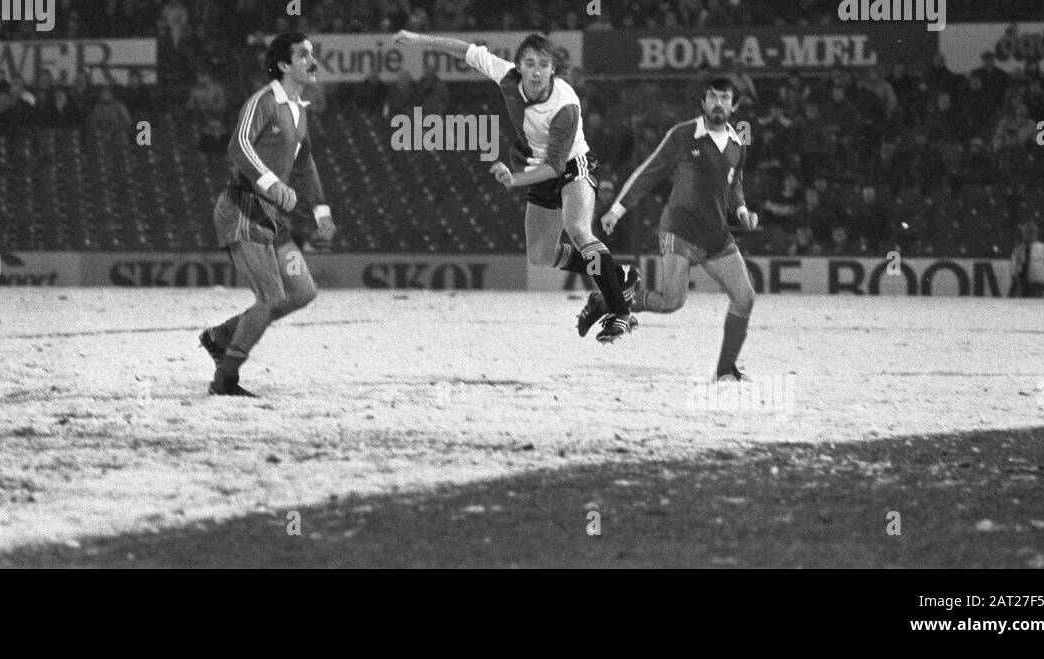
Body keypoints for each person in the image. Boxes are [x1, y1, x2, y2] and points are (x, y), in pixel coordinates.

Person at [393, 28, 636, 342]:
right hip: (540, 166)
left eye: (543, 64)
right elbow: (465, 50)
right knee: (540, 255)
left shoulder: (565, 104)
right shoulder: (506, 76)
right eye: (529, 63)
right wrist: (418, 40)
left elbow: (557, 166)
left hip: (573, 165)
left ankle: (620, 312)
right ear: (518, 66)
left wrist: (514, 178)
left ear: (552, 69)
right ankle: (619, 277)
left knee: (578, 230)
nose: (536, 71)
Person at [198, 32, 337, 397]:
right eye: (303, 55)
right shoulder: (263, 101)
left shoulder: (299, 111)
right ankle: (224, 380)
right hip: (242, 209)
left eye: (312, 54)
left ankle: (222, 335)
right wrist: (273, 183)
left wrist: (321, 210)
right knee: (272, 298)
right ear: (282, 65)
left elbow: (304, 162)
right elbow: (238, 145)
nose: (312, 61)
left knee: (303, 291)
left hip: (269, 218)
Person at [598, 76, 761, 381]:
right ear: (703, 102)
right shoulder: (684, 134)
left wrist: (741, 210)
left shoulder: (738, 144)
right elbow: (650, 170)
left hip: (716, 234)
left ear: (734, 106)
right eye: (712, 97)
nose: (718, 103)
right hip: (680, 228)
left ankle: (725, 370)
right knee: (673, 301)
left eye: (724, 98)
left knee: (745, 298)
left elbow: (734, 186)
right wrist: (617, 209)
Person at [1010, 222, 1044, 298]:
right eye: (1027, 232)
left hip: (1037, 286)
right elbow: (1013, 269)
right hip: (1025, 285)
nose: (1029, 235)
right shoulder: (1019, 250)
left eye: (1031, 232)